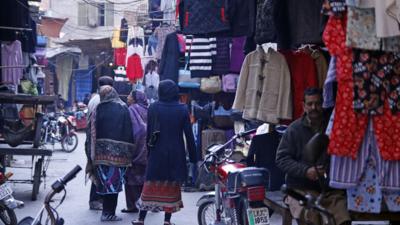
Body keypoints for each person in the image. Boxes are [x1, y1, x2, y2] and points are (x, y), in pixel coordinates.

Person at [275, 88, 351, 225]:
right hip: (301, 190)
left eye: (317, 103)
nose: (314, 108)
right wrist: (305, 171)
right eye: (310, 104)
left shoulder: (333, 127)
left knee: (342, 218)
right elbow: (282, 159)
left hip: (330, 191)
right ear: (303, 106)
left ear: (324, 104)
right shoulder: (294, 129)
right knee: (309, 217)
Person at [132, 80, 197, 225]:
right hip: (176, 153)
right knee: (171, 185)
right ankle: (167, 221)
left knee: (150, 184)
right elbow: (189, 135)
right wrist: (193, 157)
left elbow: (149, 133)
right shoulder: (182, 109)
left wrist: (149, 152)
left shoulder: (154, 107)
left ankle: (141, 219)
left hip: (157, 152)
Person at [91, 85, 135, 221]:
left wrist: (91, 153)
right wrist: (129, 152)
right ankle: (109, 213)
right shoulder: (123, 108)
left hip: (101, 154)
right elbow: (129, 130)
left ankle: (107, 212)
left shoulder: (98, 108)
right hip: (119, 156)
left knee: (106, 184)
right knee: (114, 184)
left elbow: (92, 131)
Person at [85, 76, 114, 211]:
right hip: (97, 140)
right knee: (99, 170)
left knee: (97, 169)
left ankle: (97, 199)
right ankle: (95, 200)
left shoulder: (94, 99)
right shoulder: (101, 100)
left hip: (92, 139)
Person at [122, 90, 148, 213]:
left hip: (135, 147)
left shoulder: (131, 109)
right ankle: (145, 204)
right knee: (144, 178)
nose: (127, 97)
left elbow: (135, 130)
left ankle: (132, 206)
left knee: (130, 177)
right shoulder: (148, 109)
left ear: (135, 98)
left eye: (130, 96)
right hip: (147, 149)